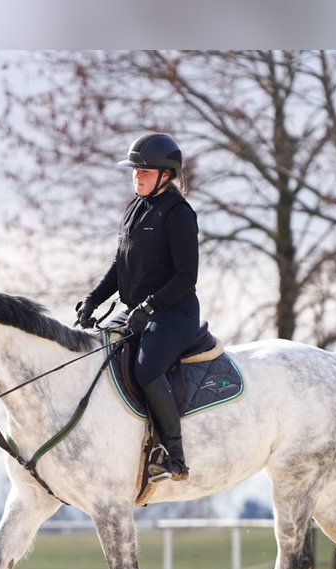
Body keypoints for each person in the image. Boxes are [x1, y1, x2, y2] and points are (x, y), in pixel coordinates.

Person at [75, 132, 201, 482]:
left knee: (146, 370)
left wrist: (149, 307)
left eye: (144, 172)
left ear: (166, 175)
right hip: (136, 310)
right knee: (92, 354)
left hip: (174, 313)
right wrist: (93, 299)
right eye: (135, 171)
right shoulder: (134, 207)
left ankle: (174, 455)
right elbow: (120, 266)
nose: (137, 176)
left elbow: (185, 277)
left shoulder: (179, 214)